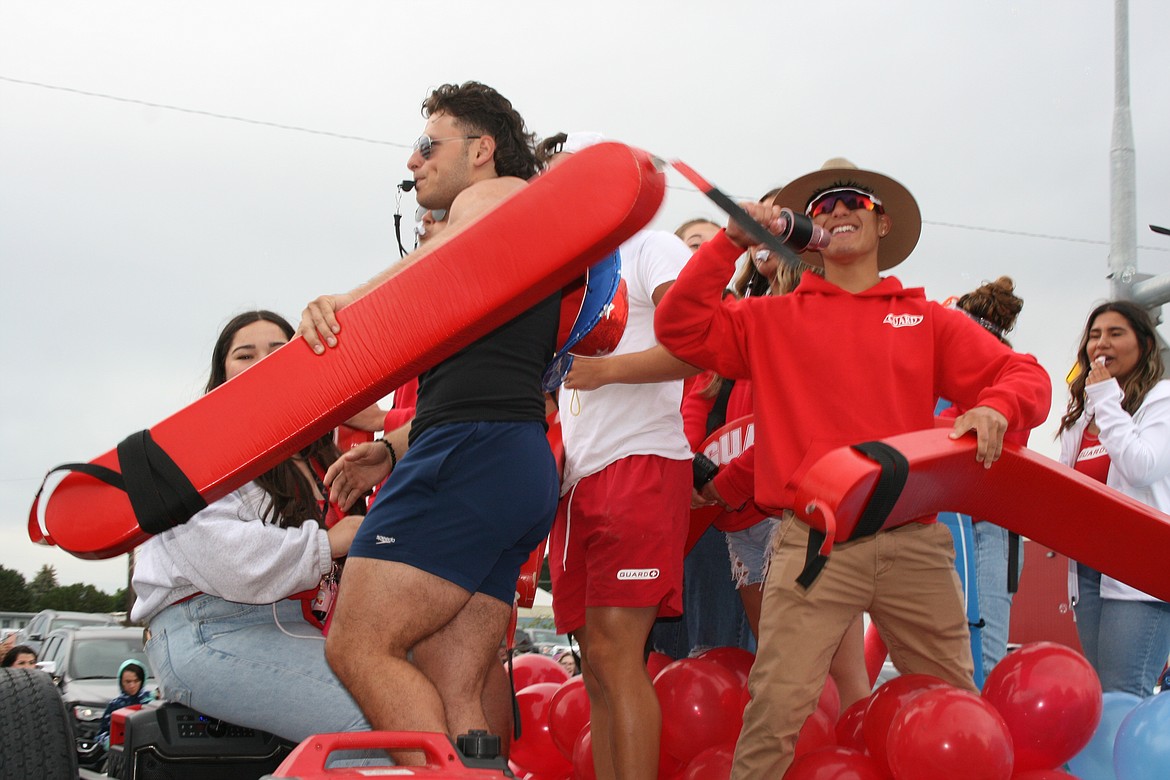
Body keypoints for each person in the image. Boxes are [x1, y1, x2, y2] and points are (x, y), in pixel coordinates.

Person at [655, 158, 1051, 777]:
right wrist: (733, 240)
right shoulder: (772, 320)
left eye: (853, 201)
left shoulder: (925, 318)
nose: (838, 210)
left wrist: (998, 409)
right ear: (804, 230)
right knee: (775, 711)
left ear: (881, 220)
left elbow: (1022, 374)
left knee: (953, 709)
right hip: (812, 543)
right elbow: (679, 326)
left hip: (913, 541)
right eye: (822, 206)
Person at [300, 82, 560, 753]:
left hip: (471, 456)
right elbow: (483, 379)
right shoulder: (512, 228)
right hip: (509, 457)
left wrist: (341, 305)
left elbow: (425, 274)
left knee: (360, 647)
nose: (412, 163)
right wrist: (390, 451)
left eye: (426, 145)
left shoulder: (495, 194)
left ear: (481, 149)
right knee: (452, 682)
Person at [537, 131, 697, 780]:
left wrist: (604, 373)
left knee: (615, 653)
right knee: (597, 660)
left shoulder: (650, 247)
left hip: (643, 461)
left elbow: (700, 344)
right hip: (580, 479)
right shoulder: (559, 280)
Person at [130, 310, 369, 744]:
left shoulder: (321, 458)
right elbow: (224, 556)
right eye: (245, 354)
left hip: (293, 627)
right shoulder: (198, 443)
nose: (261, 362)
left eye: (278, 352)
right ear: (222, 373)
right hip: (207, 627)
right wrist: (328, 542)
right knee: (368, 728)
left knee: (407, 698)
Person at [1058, 300, 1170, 697]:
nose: (1101, 343)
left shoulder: (1162, 400)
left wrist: (1106, 397)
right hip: (1088, 572)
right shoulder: (1084, 413)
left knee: (1124, 693)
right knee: (1102, 696)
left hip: (1139, 574)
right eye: (1094, 335)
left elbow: (1141, 467)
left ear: (1143, 344)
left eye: (1115, 333)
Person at [938, 276, 1031, 679]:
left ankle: (980, 736)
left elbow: (955, 438)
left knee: (983, 658)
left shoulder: (1006, 382)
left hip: (988, 529)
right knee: (937, 651)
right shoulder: (941, 381)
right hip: (940, 525)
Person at [96, 660, 155, 747]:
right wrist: (107, 741)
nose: (132, 685)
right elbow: (101, 733)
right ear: (121, 682)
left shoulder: (151, 701)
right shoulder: (115, 705)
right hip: (122, 751)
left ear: (142, 681)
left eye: (136, 681)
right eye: (128, 682)